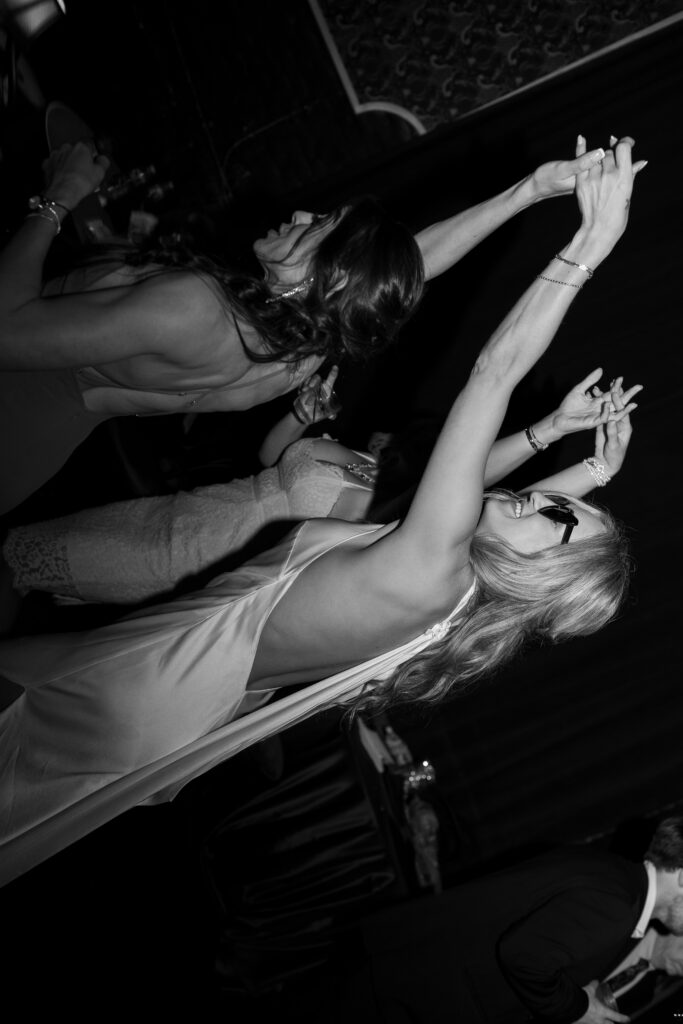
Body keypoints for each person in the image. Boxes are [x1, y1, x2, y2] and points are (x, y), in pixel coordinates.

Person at [0, 135, 644, 884]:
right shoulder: (447, 590)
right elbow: (474, 480)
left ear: (542, 572)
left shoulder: (428, 569)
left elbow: (491, 373)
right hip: (168, 704)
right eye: (572, 504)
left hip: (141, 685)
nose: (555, 500)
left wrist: (587, 247)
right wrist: (588, 467)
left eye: (564, 517)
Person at [0, 138, 610, 514]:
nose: (297, 212)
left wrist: (58, 199)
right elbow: (411, 266)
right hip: (38, 450)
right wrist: (527, 191)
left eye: (319, 223)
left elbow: (8, 333)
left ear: (332, 278)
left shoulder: (198, 306)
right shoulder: (295, 356)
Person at [0, 366, 639, 608]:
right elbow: (268, 463)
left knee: (16, 564)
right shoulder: (385, 473)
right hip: (182, 512)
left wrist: (567, 445)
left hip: (184, 566)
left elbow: (496, 507)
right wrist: (300, 419)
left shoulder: (414, 521)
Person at [323, 816, 683, 1024]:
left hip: (407, 973)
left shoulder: (615, 878)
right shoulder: (617, 905)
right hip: (415, 995)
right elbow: (524, 958)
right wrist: (578, 1007)